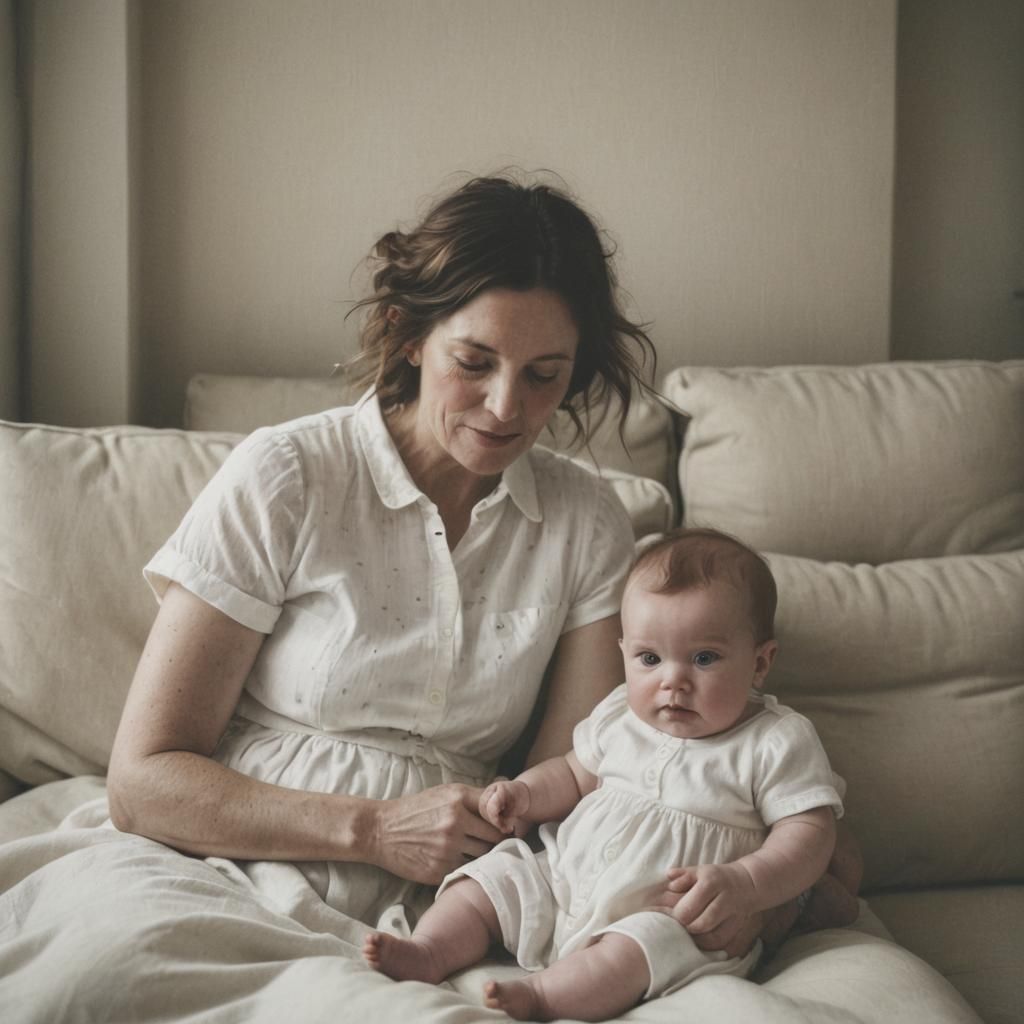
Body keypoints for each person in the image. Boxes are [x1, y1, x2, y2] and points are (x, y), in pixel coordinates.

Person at [105, 173, 857, 966]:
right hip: (242, 859)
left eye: (543, 375)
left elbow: (590, 769)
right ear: (408, 335)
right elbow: (142, 780)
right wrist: (372, 829)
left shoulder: (585, 524)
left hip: (461, 891)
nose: (505, 407)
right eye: (474, 361)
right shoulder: (289, 475)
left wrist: (764, 890)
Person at [363, 528, 858, 1022]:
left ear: (760, 662)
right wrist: (524, 793)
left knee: (640, 948)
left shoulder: (774, 741)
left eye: (704, 658)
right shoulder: (621, 714)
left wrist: (745, 884)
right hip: (562, 878)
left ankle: (543, 997)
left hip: (670, 913)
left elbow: (810, 832)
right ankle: (428, 950)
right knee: (494, 877)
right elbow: (572, 775)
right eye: (649, 658)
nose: (673, 681)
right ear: (624, 652)